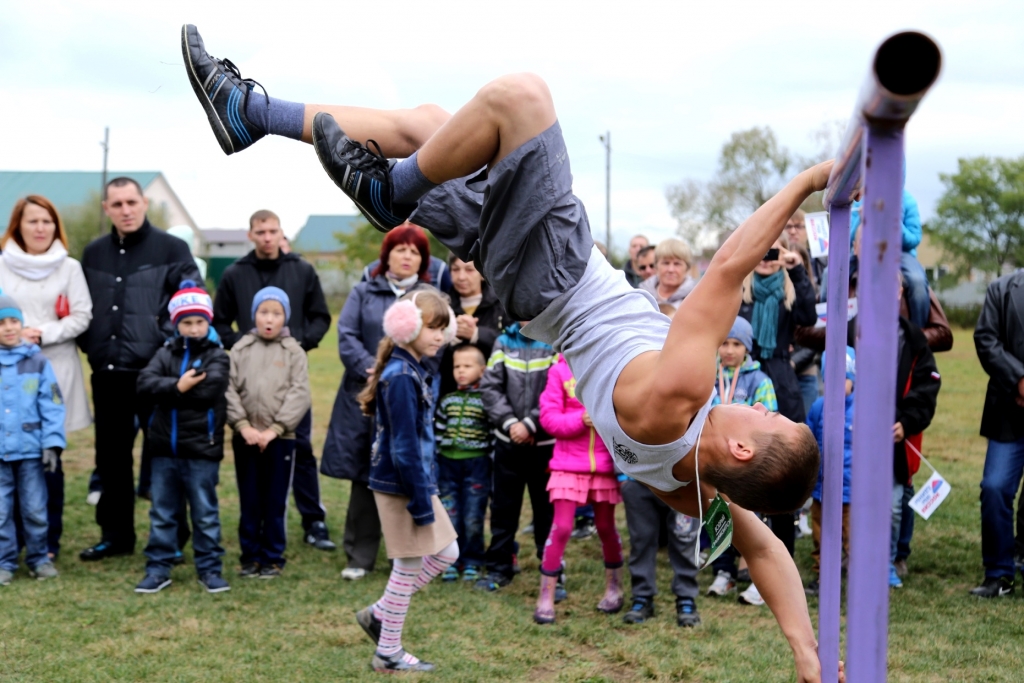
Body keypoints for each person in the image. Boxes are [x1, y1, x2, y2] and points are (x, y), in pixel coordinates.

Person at [182, 29, 843, 679]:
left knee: (519, 97)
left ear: (744, 449)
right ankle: (251, 115)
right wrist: (809, 659)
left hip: (556, 266)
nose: (776, 411)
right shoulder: (693, 490)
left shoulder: (680, 400)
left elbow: (728, 267)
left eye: (778, 420)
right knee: (433, 127)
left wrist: (810, 180)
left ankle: (390, 192)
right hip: (531, 282)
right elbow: (767, 554)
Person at [78, 176, 200, 561]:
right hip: (108, 373)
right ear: (107, 209)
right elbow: (83, 308)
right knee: (111, 458)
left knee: (164, 456)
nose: (125, 210)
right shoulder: (93, 253)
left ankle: (172, 538)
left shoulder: (172, 248)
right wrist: (95, 345)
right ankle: (116, 537)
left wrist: (161, 345)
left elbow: (191, 302)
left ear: (144, 202)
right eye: (117, 205)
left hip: (156, 374)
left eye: (131, 202)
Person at [320, 224, 439, 580]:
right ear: (386, 254)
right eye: (400, 249)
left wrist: (408, 375)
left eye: (415, 251)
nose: (407, 256)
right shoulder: (363, 291)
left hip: (407, 396)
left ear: (423, 260)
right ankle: (359, 556)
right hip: (365, 397)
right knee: (364, 473)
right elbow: (347, 336)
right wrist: (372, 370)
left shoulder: (427, 298)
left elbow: (437, 343)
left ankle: (404, 555)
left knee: (404, 471)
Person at [213, 209, 335, 552]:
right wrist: (244, 347)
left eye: (273, 231)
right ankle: (256, 529)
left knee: (300, 450)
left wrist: (298, 342)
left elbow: (320, 316)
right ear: (251, 234)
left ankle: (314, 521)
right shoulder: (235, 274)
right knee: (253, 457)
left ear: (281, 233)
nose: (267, 237)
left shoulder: (301, 270)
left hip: (289, 379)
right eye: (261, 231)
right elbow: (220, 322)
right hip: (250, 384)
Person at [353, 290, 459, 673]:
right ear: (407, 326)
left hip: (415, 482)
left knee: (448, 553)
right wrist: (418, 499)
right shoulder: (400, 376)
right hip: (402, 485)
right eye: (433, 327)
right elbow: (404, 447)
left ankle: (381, 612)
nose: (439, 336)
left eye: (443, 328)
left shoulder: (414, 367)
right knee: (409, 564)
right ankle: (388, 652)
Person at [1, 196, 92, 559]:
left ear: (56, 226)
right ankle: (13, 539)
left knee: (49, 455)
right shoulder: (3, 264)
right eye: (32, 221)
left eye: (47, 221)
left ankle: (48, 541)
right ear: (18, 226)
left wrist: (41, 333)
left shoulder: (69, 267)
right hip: (9, 375)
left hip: (53, 368)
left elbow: (82, 315)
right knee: (10, 457)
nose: (40, 228)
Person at [134, 283, 230, 594]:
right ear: (177, 324)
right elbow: (145, 383)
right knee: (162, 513)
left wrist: (174, 390)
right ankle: (158, 567)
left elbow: (207, 392)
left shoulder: (217, 356)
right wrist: (179, 386)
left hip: (202, 450)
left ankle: (210, 568)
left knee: (205, 513)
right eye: (186, 323)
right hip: (163, 450)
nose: (193, 328)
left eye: (199, 322)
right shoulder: (165, 353)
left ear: (208, 322)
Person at [226, 287, 311, 579]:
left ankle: (272, 557)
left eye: (276, 313)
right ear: (254, 315)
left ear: (285, 316)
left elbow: (299, 394)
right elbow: (229, 390)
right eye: (264, 312)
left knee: (274, 501)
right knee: (249, 499)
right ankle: (249, 556)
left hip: (280, 441)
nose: (269, 319)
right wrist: (243, 426)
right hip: (245, 438)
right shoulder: (240, 349)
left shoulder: (294, 352)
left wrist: (274, 430)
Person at [534, 353, 624, 624]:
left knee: (607, 528)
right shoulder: (559, 371)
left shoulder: (613, 367)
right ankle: (546, 594)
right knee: (561, 528)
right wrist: (580, 420)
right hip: (568, 465)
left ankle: (614, 588)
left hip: (605, 465)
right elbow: (548, 418)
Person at [477, 320, 559, 593]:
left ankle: (552, 571)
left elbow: (556, 391)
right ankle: (499, 567)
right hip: (508, 443)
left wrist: (531, 425)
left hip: (544, 444)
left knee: (546, 511)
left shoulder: (554, 343)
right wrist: (511, 423)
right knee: (503, 509)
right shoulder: (504, 342)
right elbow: (490, 387)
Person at [706, 316, 778, 605]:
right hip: (716, 463)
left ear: (747, 348)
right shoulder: (708, 377)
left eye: (736, 344)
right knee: (718, 515)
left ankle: (757, 578)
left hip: (746, 467)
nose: (729, 350)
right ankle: (723, 572)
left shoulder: (760, 381)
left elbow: (769, 421)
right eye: (724, 343)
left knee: (750, 521)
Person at [0, 293, 65, 585]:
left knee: (35, 508)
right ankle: (5, 562)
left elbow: (53, 404)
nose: (9, 327)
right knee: (1, 512)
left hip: (30, 451)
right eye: (1, 322)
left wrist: (52, 443)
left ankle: (39, 559)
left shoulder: (38, 363)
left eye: (14, 320)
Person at [971, 268, 1024, 597]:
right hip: (1009, 410)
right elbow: (985, 339)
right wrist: (1019, 379)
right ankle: (999, 572)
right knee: (994, 488)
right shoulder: (1001, 289)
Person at [888, 291, 940, 590]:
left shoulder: (914, 340)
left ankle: (891, 559)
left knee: (895, 505)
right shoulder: (852, 331)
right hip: (855, 440)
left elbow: (927, 387)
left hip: (897, 441)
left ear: (899, 294)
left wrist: (906, 423)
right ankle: (849, 559)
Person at [434, 344, 492, 583]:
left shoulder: (487, 402)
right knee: (449, 513)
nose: (460, 371)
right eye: (457, 366)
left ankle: (473, 560)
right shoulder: (448, 400)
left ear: (482, 370)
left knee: (473, 515)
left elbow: (491, 435)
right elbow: (437, 433)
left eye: (467, 366)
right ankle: (449, 561)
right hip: (447, 465)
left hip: (477, 466)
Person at [803, 347, 855, 597]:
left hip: (851, 494)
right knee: (821, 536)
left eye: (844, 379)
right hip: (823, 491)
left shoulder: (863, 410)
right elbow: (809, 441)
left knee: (852, 539)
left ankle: (857, 584)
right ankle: (823, 577)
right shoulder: (818, 407)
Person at [850, 182, 929, 329]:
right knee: (830, 273)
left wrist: (894, 220)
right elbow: (850, 238)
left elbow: (914, 239)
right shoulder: (861, 198)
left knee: (917, 281)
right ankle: (825, 331)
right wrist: (862, 217)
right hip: (865, 251)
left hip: (899, 253)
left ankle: (917, 334)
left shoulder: (907, 200)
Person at [437, 254, 506, 396]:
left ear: (483, 274)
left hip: (496, 391)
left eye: (469, 270)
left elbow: (514, 342)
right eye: (455, 270)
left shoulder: (502, 304)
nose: (461, 277)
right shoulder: (441, 306)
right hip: (450, 395)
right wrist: (449, 337)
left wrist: (477, 334)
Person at [638, 238, 696, 310]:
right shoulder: (642, 295)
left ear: (687, 268)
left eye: (677, 264)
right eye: (666, 263)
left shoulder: (696, 298)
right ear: (656, 265)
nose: (670, 269)